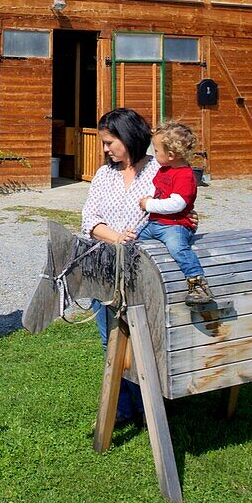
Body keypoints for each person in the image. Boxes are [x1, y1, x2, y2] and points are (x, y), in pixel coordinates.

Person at [80, 107, 159, 426]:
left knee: (146, 339)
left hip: (145, 271)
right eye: (104, 143)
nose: (105, 148)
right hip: (106, 268)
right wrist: (116, 237)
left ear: (129, 138)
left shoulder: (159, 171)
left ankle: (149, 404)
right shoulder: (104, 175)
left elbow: (174, 213)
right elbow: (89, 219)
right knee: (111, 339)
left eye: (110, 142)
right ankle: (124, 406)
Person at [137, 121, 214, 307]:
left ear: (170, 155)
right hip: (155, 224)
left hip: (175, 225)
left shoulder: (185, 175)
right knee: (135, 241)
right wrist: (149, 196)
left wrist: (150, 204)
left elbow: (177, 204)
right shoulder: (164, 169)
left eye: (156, 151)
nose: (153, 154)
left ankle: (197, 283)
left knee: (178, 248)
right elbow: (156, 187)